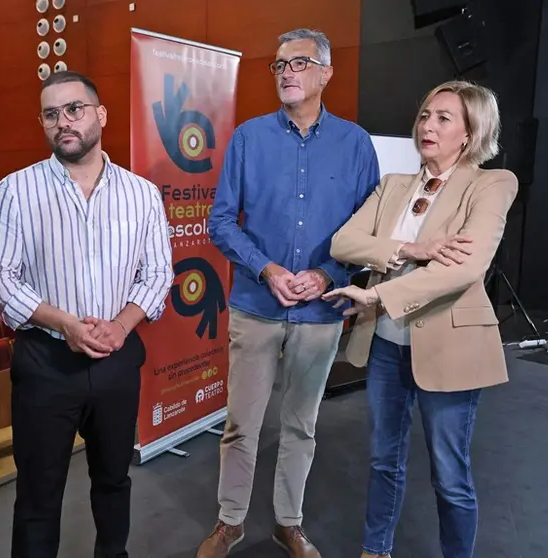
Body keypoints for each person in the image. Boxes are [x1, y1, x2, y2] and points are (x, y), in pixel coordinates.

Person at [197, 29, 380, 558]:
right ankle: (229, 522)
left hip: (321, 313)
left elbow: (366, 227)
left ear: (325, 73)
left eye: (298, 63)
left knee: (301, 425)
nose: (286, 72)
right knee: (241, 425)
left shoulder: (355, 144)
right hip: (256, 306)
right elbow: (222, 222)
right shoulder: (250, 138)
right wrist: (265, 268)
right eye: (278, 65)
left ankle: (288, 523)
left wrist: (326, 273)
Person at [0, 70, 173, 558]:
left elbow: (158, 276)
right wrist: (62, 323)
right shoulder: (16, 191)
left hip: (117, 361)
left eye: (74, 109)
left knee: (113, 481)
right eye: (51, 114)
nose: (63, 122)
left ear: (100, 115)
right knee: (38, 496)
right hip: (46, 364)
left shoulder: (141, 194)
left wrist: (121, 325)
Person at [323, 80, 518, 558]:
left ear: (470, 135)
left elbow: (466, 267)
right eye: (426, 115)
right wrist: (412, 249)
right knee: (383, 461)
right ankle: (376, 550)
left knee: (450, 475)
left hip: (450, 349)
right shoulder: (394, 185)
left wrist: (379, 295)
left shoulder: (492, 183)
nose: (427, 125)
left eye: (443, 118)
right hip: (386, 346)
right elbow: (343, 243)